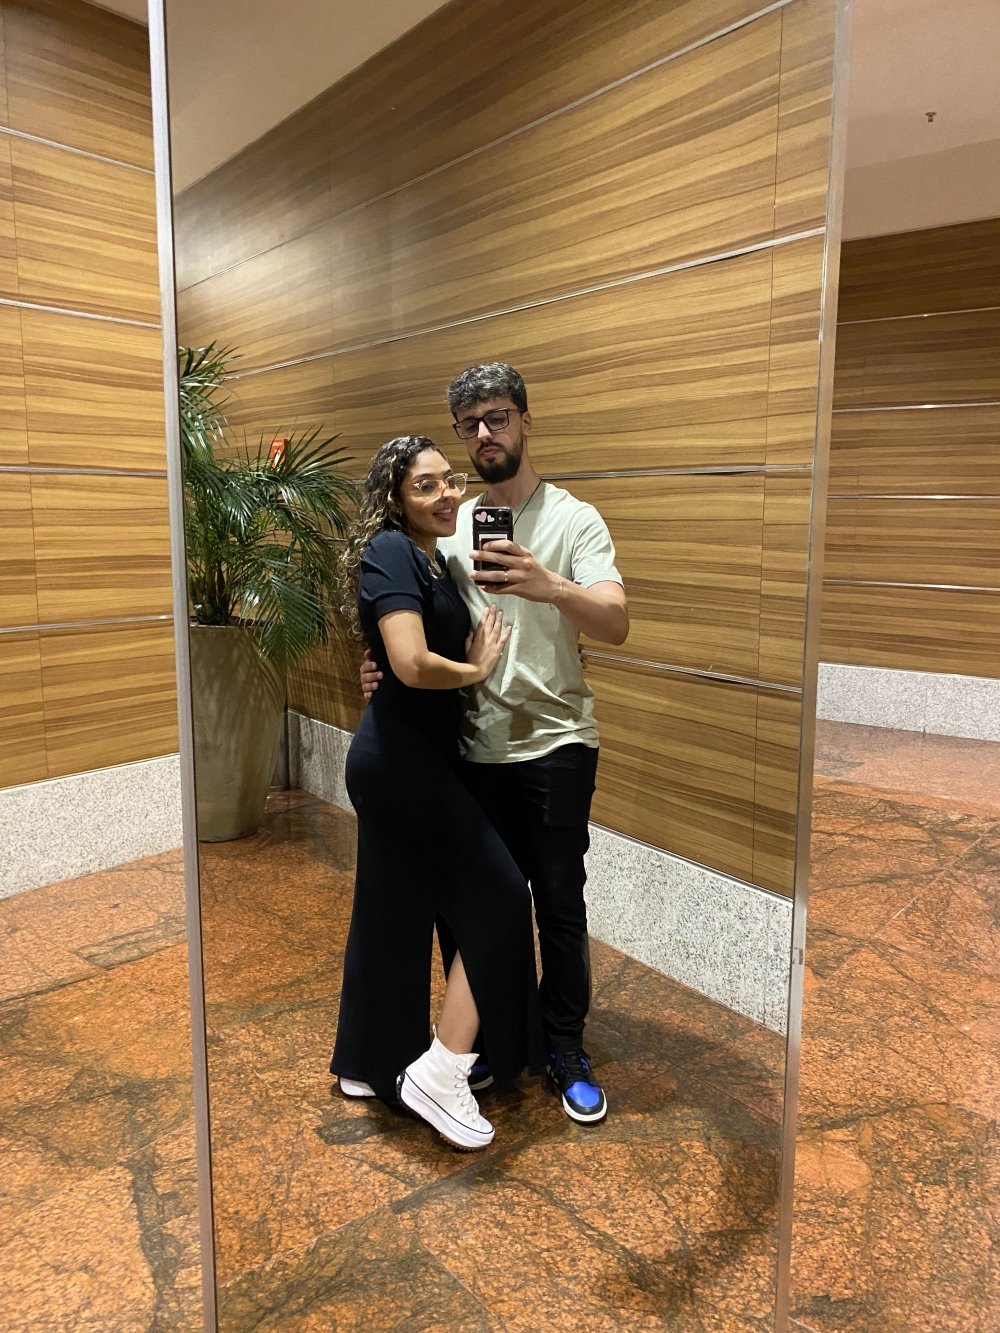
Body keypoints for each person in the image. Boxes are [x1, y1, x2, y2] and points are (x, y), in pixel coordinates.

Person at [364, 365, 628, 1124]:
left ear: (525, 421)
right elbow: (415, 623)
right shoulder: (451, 526)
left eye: (499, 416)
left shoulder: (575, 520)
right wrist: (381, 664)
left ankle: (566, 1047)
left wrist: (552, 586)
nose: (485, 433)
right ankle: (491, 1043)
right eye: (471, 422)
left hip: (556, 742)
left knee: (559, 904)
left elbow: (615, 622)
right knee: (473, 906)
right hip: (470, 748)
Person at [330, 435, 544, 1152]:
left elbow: (396, 651)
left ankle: (369, 1059)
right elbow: (412, 663)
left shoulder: (429, 557)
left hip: (408, 756)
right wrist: (476, 669)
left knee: (390, 908)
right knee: (503, 897)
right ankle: (442, 1071)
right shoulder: (393, 550)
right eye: (425, 485)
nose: (447, 493)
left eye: (449, 480)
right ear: (395, 500)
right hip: (402, 764)